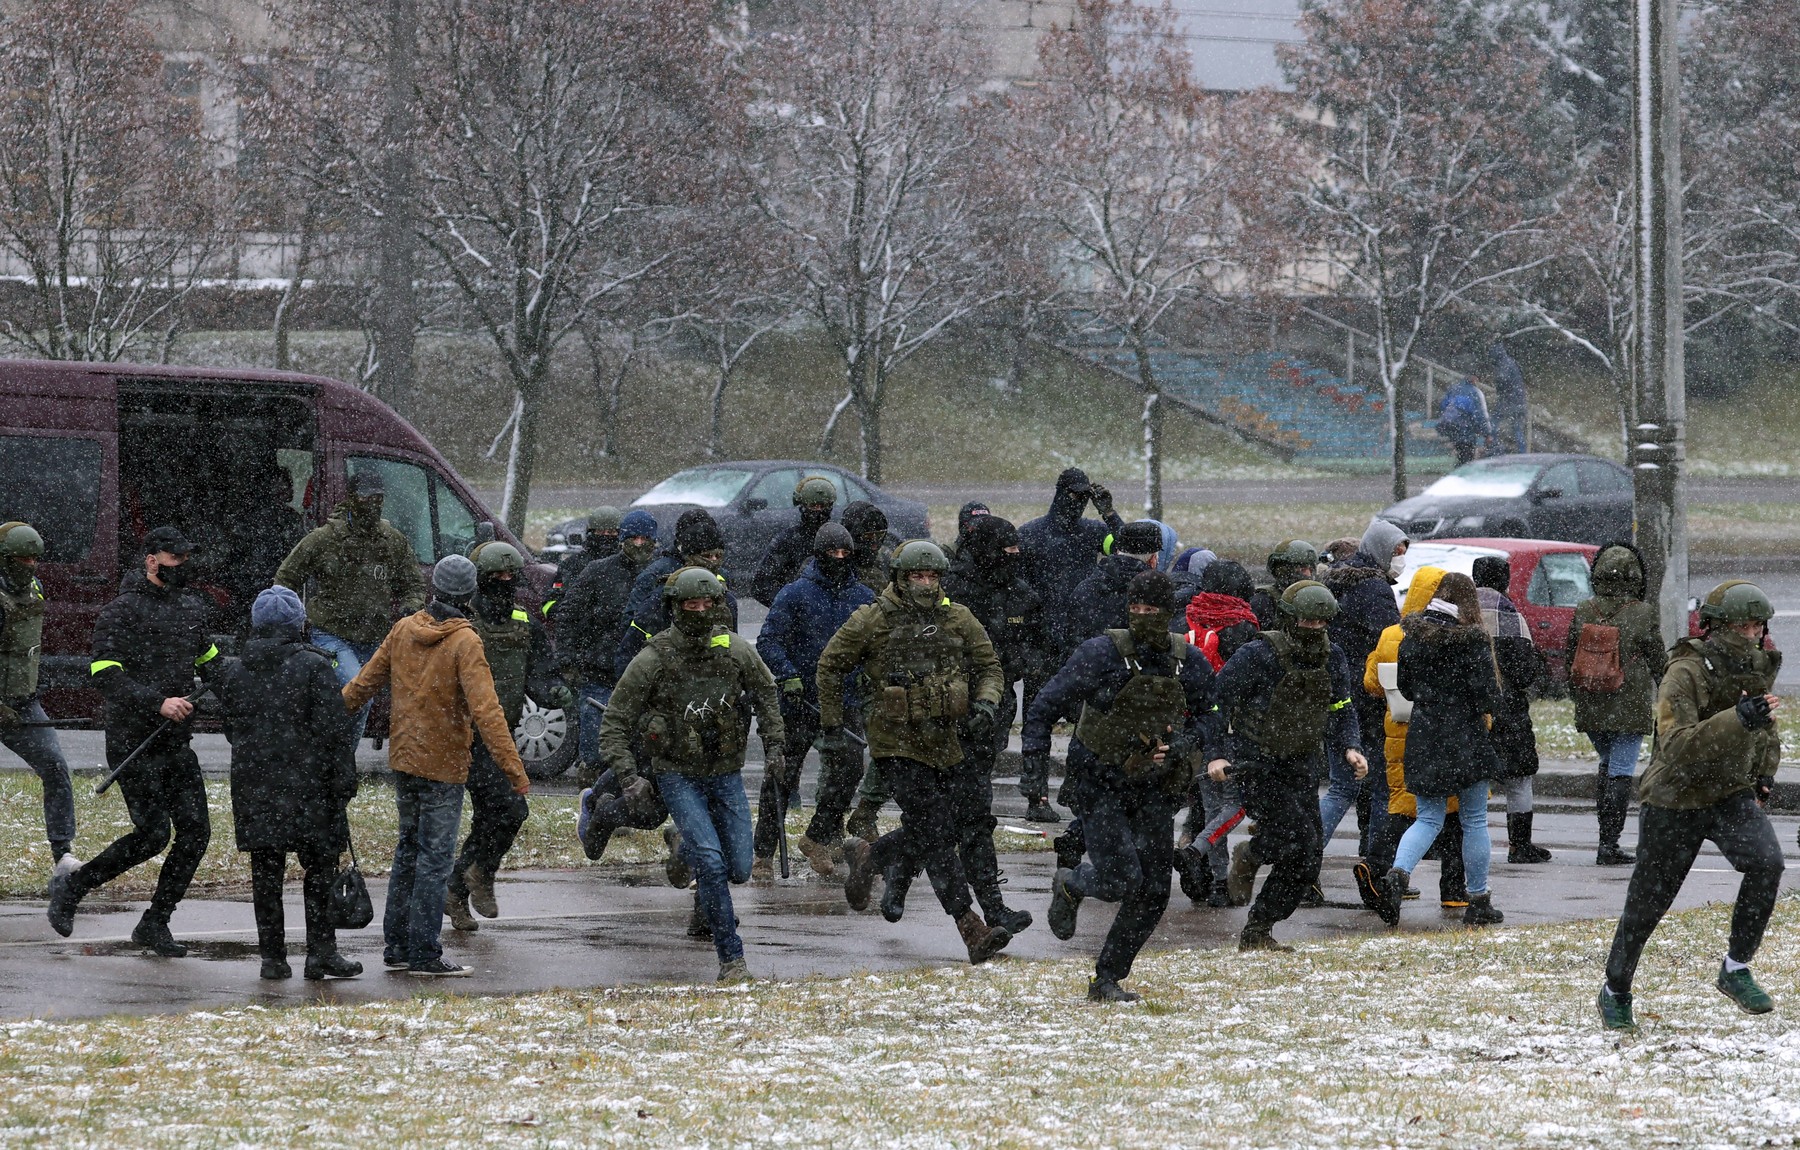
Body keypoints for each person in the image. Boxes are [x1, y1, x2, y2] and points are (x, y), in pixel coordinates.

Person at [1597, 581, 1786, 1031]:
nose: (1752, 633)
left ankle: (1736, 968)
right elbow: (1677, 745)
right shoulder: (1685, 670)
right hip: (1674, 798)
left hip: (1728, 793)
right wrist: (1736, 720)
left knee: (1768, 864)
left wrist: (1764, 772)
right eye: (1743, 624)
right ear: (1716, 626)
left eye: (1758, 625)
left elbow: (1764, 725)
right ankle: (1615, 989)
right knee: (1647, 905)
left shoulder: (1755, 664)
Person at [1031, 571, 1222, 1002]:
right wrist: (1034, 774)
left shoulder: (1186, 661)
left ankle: (1107, 978)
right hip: (1099, 784)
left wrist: (1182, 745)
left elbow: (1212, 714)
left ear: (1167, 613)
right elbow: (1044, 707)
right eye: (1134, 609)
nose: (1141, 617)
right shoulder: (1101, 654)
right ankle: (1073, 882)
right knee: (1119, 878)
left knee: (1154, 891)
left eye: (1151, 610)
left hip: (1153, 789)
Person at [822, 541, 1013, 965]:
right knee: (935, 832)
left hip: (948, 739)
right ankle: (970, 926)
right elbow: (830, 665)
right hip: (896, 743)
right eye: (916, 577)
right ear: (900, 579)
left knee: (960, 822)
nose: (926, 584)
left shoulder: (958, 618)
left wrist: (985, 703)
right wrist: (834, 725)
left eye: (932, 577)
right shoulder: (872, 620)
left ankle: (874, 855)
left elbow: (990, 668)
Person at [341, 554, 530, 977]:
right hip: (444, 765)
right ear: (471, 596)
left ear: (434, 591)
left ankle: (397, 946)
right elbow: (488, 711)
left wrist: (321, 722)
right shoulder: (466, 642)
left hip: (405, 759)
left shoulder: (404, 629)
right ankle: (425, 951)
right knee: (435, 859)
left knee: (408, 850)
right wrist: (514, 770)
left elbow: (361, 686)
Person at [600, 566, 785, 983]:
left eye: (708, 603)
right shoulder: (653, 657)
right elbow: (614, 720)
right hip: (677, 774)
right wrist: (629, 777)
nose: (701, 611)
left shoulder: (736, 650)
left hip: (726, 772)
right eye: (691, 604)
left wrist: (775, 745)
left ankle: (683, 846)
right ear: (674, 607)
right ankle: (731, 960)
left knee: (739, 866)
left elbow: (766, 693)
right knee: (714, 866)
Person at [48, 526, 222, 953]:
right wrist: (158, 702)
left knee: (196, 832)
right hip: (133, 743)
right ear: (151, 560)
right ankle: (74, 886)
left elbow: (213, 663)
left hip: (176, 744)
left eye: (186, 558)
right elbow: (103, 674)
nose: (183, 566)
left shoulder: (192, 609)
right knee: (152, 835)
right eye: (175, 558)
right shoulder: (120, 611)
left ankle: (155, 923)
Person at [215, 586, 362, 981]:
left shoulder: (235, 670)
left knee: (265, 874)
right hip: (310, 786)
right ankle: (320, 953)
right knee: (319, 870)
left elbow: (233, 730)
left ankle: (273, 958)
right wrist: (343, 784)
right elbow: (334, 734)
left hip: (255, 786)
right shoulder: (315, 667)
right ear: (299, 624)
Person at [1212, 580, 1367, 952]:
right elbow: (1215, 704)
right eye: (1305, 622)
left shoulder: (1334, 657)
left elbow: (1341, 707)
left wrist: (1351, 747)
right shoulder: (1257, 654)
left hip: (1301, 765)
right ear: (1288, 618)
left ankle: (1259, 928)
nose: (1314, 629)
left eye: (1321, 623)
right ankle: (1255, 853)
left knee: (1309, 856)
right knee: (1295, 841)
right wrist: (1217, 753)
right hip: (1256, 766)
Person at [445, 542, 569, 933]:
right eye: (495, 577)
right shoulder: (463, 624)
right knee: (511, 810)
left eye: (509, 577)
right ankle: (476, 874)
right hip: (466, 736)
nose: (503, 583)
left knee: (492, 818)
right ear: (479, 580)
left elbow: (538, 674)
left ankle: (457, 889)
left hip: (503, 735)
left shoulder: (523, 621)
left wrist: (558, 694)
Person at [937, 515, 1049, 931]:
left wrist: (1015, 668)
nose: (1012, 560)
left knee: (968, 814)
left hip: (993, 716)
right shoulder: (954, 596)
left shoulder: (1020, 593)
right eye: (1005, 553)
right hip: (946, 718)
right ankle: (888, 867)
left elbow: (1037, 644)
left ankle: (885, 864)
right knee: (955, 816)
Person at [1376, 573, 1505, 928]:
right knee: (1474, 819)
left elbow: (1405, 687)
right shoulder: (1473, 639)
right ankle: (1478, 900)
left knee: (1428, 818)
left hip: (1425, 734)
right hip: (1465, 736)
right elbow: (1486, 696)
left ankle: (1398, 875)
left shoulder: (1412, 636)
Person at [752, 523, 874, 880]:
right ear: (819, 555)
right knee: (781, 777)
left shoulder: (863, 597)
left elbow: (876, 645)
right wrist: (787, 673)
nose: (839, 560)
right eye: (832, 554)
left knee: (850, 769)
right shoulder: (794, 594)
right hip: (798, 700)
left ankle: (818, 836)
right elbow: (768, 641)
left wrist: (868, 670)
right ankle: (763, 853)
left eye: (844, 554)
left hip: (843, 699)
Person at [274, 469, 427, 738]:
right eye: (368, 498)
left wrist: (410, 606)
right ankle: (342, 762)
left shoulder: (392, 541)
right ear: (352, 498)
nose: (374, 504)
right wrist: (293, 619)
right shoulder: (325, 538)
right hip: (331, 636)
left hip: (375, 639)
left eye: (379, 498)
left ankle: (334, 754)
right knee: (359, 696)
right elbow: (285, 579)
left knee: (414, 696)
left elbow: (413, 584)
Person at [1352, 566, 1468, 912]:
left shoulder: (1391, 634)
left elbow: (1371, 684)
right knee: (1453, 811)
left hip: (1398, 732)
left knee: (1400, 803)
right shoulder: (1449, 633)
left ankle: (1376, 864)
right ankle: (1453, 887)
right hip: (1441, 731)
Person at [1566, 542, 1666, 866]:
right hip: (1629, 702)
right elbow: (1657, 659)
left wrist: (1578, 693)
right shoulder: (1643, 612)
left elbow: (1570, 654)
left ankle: (1604, 840)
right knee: (1620, 771)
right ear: (1634, 576)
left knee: (1607, 766)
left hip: (1591, 699)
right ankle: (1608, 845)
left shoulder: (1584, 609)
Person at [1318, 519, 1408, 862]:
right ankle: (1378, 864)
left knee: (1345, 784)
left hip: (1338, 694)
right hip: (1366, 698)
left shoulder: (1337, 582)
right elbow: (1390, 645)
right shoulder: (1374, 590)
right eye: (1397, 551)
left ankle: (1304, 863)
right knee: (1376, 786)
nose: (1401, 558)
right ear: (1382, 550)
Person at [1175, 558, 1260, 906]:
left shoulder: (1183, 619)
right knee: (1237, 804)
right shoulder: (1243, 627)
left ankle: (1215, 881)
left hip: (1188, 723)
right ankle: (1198, 851)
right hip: (1229, 725)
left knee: (1211, 802)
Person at [555, 510, 659, 782]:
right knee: (595, 754)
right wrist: (568, 660)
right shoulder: (597, 572)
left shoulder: (663, 574)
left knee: (643, 757)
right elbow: (567, 615)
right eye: (632, 538)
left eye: (644, 539)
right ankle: (593, 812)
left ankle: (625, 810)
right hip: (600, 678)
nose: (638, 545)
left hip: (648, 682)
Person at [0, 522, 79, 871]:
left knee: (55, 767)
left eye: (35, 559)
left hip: (21, 702)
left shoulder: (35, 589)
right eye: (22, 559)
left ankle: (63, 853)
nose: (31, 565)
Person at [1473, 555, 1550, 863]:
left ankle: (1465, 841)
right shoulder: (1510, 615)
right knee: (1518, 779)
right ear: (1505, 581)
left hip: (1472, 710)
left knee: (1474, 780)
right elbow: (1526, 672)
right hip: (1510, 710)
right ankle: (1520, 845)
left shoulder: (1462, 613)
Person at [615, 509, 738, 680]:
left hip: (711, 677)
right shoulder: (657, 580)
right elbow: (632, 629)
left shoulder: (723, 584)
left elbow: (734, 643)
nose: (713, 561)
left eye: (717, 555)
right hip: (666, 674)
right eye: (707, 555)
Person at [1062, 520, 1166, 654]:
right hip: (1132, 671)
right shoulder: (1155, 594)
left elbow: (1069, 639)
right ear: (1152, 560)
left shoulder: (1085, 587)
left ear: (1117, 551)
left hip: (1085, 666)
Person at [750, 476, 839, 607]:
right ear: (803, 506)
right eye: (814, 506)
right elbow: (761, 586)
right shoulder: (788, 540)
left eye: (823, 506)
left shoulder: (839, 538)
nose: (819, 511)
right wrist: (792, 606)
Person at [552, 507, 623, 598]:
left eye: (610, 532)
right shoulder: (572, 564)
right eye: (600, 531)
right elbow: (553, 599)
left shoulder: (628, 564)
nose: (605, 536)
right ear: (590, 533)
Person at [1249, 540, 1316, 630]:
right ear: (1284, 571)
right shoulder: (1263, 601)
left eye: (1310, 569)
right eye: (1303, 569)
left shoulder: (1314, 598)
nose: (1308, 574)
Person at [841, 500, 895, 593]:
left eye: (879, 535)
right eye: (868, 536)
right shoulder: (836, 563)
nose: (874, 544)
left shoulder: (886, 559)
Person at [1436, 378, 1493, 466]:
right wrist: (1487, 433)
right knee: (1467, 457)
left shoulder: (1453, 389)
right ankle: (1463, 474)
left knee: (1461, 453)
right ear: (1474, 379)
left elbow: (1443, 406)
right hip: (1467, 430)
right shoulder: (1475, 392)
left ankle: (1459, 472)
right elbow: (1480, 415)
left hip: (1452, 428)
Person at [1490, 341, 1528, 454]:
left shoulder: (1504, 364)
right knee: (1517, 429)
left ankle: (1494, 446)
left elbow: (1503, 380)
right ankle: (1522, 452)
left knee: (1493, 422)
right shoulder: (1510, 362)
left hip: (1508, 400)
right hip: (1519, 401)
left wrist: (1499, 389)